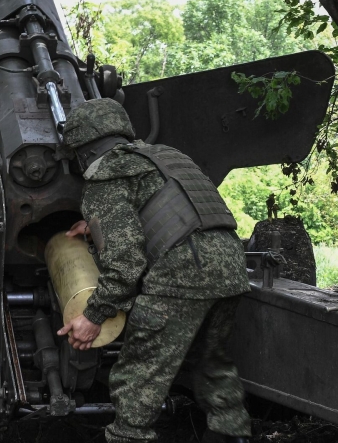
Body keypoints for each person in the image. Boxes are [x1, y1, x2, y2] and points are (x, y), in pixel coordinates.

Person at [57, 98, 252, 443]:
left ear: (81, 149)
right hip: (232, 268)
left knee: (138, 378)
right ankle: (229, 433)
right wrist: (95, 228)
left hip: (180, 276)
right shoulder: (167, 157)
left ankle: (128, 436)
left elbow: (125, 261)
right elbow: (170, 213)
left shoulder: (107, 175)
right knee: (212, 362)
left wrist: (93, 315)